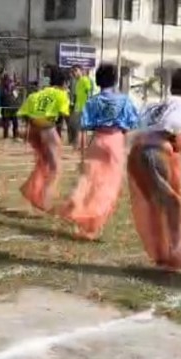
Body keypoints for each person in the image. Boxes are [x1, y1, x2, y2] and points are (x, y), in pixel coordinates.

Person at [127, 67, 181, 269]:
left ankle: (163, 250)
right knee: (172, 203)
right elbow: (172, 124)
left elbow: (138, 124)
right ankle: (176, 251)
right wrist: (174, 137)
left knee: (158, 204)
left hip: (137, 153)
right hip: (154, 153)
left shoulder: (158, 104)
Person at [57, 63, 139, 240]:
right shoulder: (124, 100)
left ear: (98, 80)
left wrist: (82, 151)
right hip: (115, 140)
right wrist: (127, 145)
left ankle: (78, 200)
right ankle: (92, 223)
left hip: (98, 139)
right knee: (109, 184)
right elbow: (132, 122)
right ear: (115, 80)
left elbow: (84, 126)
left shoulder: (92, 101)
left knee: (88, 177)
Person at [17, 68, 71, 212]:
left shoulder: (36, 94)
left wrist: (35, 126)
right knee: (55, 168)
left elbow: (23, 114)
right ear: (65, 83)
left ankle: (31, 190)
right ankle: (43, 200)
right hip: (48, 130)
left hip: (35, 129)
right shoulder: (62, 94)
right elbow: (65, 115)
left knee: (44, 163)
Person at [68, 65, 94, 148]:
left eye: (76, 70)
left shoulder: (85, 80)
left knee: (80, 128)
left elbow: (89, 93)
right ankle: (81, 146)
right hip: (78, 107)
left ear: (81, 70)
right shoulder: (77, 82)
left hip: (84, 107)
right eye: (73, 71)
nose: (75, 73)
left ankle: (81, 146)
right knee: (79, 128)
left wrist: (89, 106)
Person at [0, 73, 20, 140]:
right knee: (8, 122)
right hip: (8, 107)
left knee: (12, 122)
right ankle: (10, 136)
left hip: (11, 107)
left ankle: (13, 135)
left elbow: (16, 97)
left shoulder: (8, 87)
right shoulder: (4, 88)